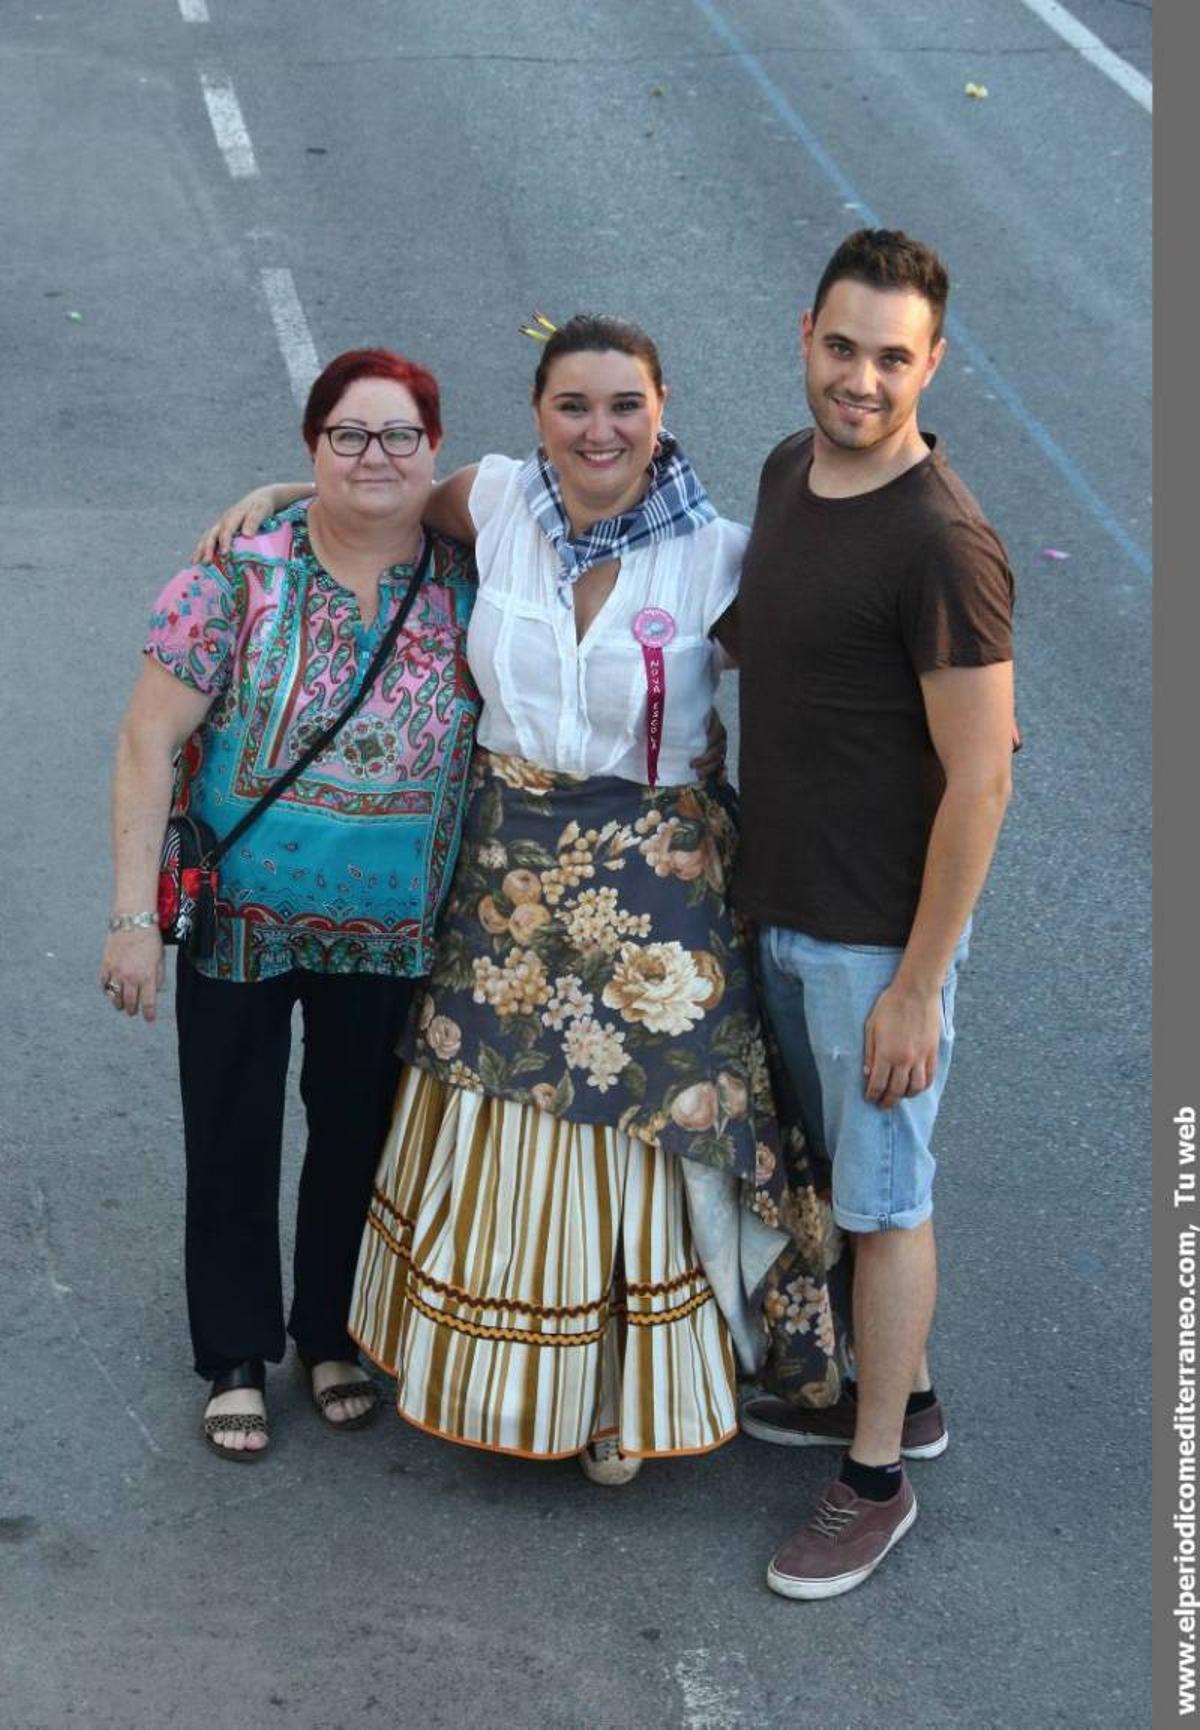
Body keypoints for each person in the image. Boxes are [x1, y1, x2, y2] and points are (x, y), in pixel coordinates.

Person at [201, 314, 841, 1482]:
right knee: (503, 1120)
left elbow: (830, 665)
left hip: (660, 881)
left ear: (662, 411)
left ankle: (619, 1394)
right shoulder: (495, 502)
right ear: (538, 418)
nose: (599, 430)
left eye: (623, 406)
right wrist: (285, 489)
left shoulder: (726, 556)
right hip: (502, 873)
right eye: (572, 407)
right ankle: (491, 1383)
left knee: (652, 1131)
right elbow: (385, 494)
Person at [102, 348, 481, 1459]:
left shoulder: (471, 575)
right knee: (231, 1131)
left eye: (399, 434)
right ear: (311, 446)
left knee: (358, 1129)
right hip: (241, 918)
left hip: (398, 927)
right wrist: (133, 918)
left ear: (434, 451)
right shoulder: (234, 578)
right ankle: (233, 1351)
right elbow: (145, 742)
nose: (376, 455)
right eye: (349, 435)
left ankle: (330, 1331)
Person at [734, 230, 1016, 1596]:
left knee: (886, 1202)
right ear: (807, 333)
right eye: (841, 347)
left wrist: (919, 979)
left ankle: (872, 1482)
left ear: (933, 363)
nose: (859, 378)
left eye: (891, 357)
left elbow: (982, 777)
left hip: (870, 943)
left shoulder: (942, 540)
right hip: (778, 905)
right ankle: (893, 1399)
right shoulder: (793, 471)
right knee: (841, 1192)